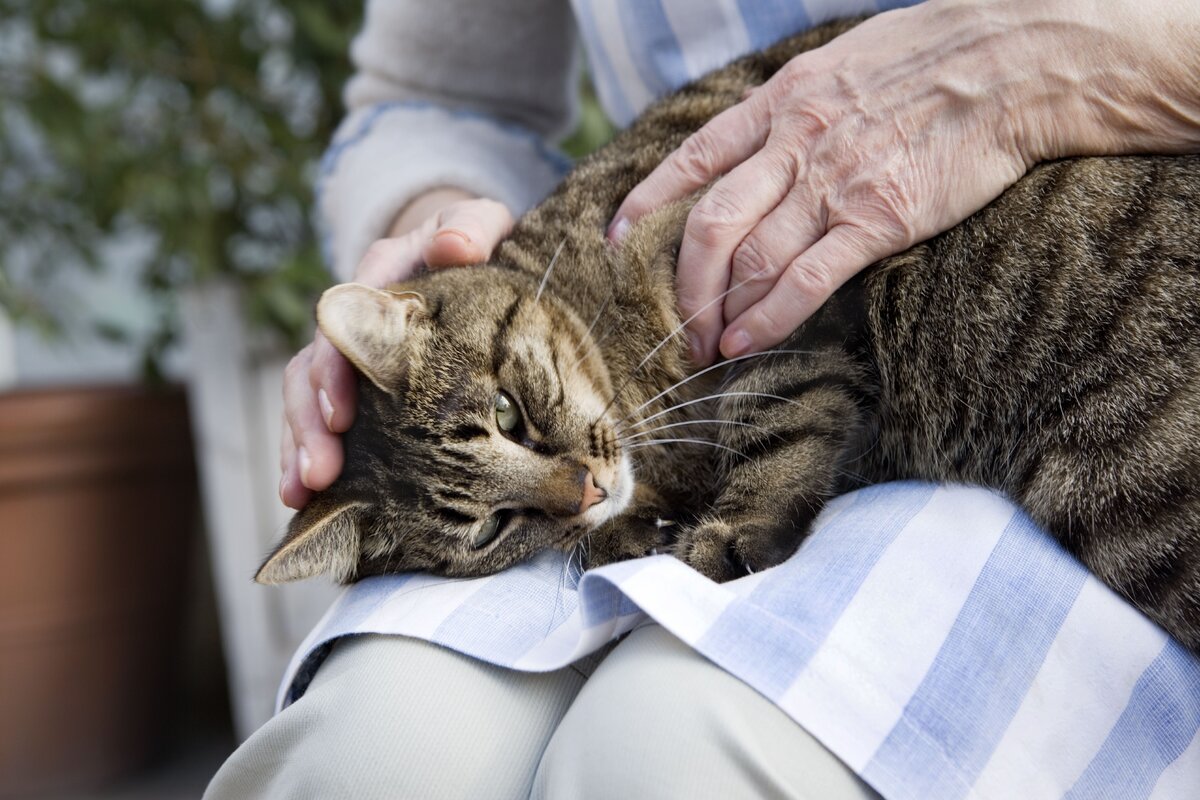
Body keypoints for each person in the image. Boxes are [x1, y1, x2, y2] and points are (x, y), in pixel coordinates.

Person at [210, 0, 1200, 797]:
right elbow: (432, 95)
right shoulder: (570, 397)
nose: (566, 489)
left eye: (513, 434)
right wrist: (433, 248)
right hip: (671, 373)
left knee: (664, 758)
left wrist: (1069, 54)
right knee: (361, 761)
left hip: (1089, 250)